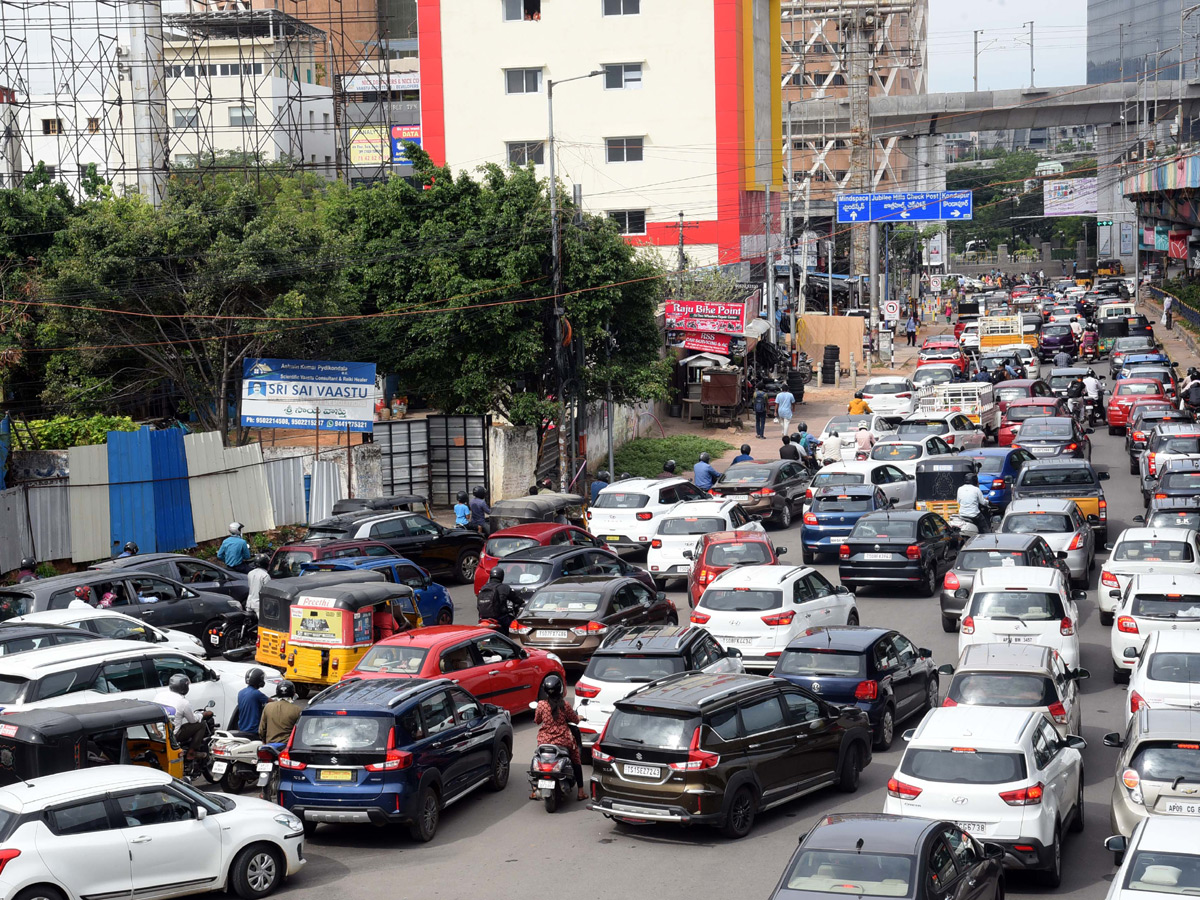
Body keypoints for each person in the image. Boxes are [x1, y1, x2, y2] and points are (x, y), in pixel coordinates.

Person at [531, 674, 586, 802]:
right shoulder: (565, 705)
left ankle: (534, 790)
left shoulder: (541, 705)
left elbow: (537, 720)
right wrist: (579, 717)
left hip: (544, 740)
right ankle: (581, 792)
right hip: (563, 739)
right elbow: (574, 720)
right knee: (576, 759)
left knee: (537, 757)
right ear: (560, 689)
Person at [154, 674, 213, 758]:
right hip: (172, 736)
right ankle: (191, 752)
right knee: (201, 725)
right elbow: (193, 720)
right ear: (184, 687)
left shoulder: (159, 695)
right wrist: (203, 714)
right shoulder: (183, 702)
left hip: (157, 735)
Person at [259, 681, 301, 745]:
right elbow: (300, 732)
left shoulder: (268, 707)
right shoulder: (297, 710)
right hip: (288, 746)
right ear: (293, 693)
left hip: (270, 746)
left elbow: (261, 730)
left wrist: (264, 741)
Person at [956, 466, 990, 534]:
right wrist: (987, 501)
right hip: (974, 515)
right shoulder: (976, 489)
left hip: (962, 515)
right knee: (984, 528)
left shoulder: (960, 489)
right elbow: (983, 502)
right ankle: (986, 537)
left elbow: (958, 501)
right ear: (975, 481)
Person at [236, 668, 270, 735]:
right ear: (258, 680)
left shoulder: (241, 692)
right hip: (254, 731)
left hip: (242, 728)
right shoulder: (257, 693)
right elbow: (273, 703)